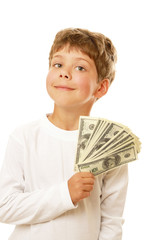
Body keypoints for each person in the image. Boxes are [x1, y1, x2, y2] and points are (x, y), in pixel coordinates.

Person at [0, 28, 128, 240]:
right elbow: (4, 206)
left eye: (79, 67)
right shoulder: (24, 137)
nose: (64, 73)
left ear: (101, 88)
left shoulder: (108, 145)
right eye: (58, 64)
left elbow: (111, 221)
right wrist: (65, 194)